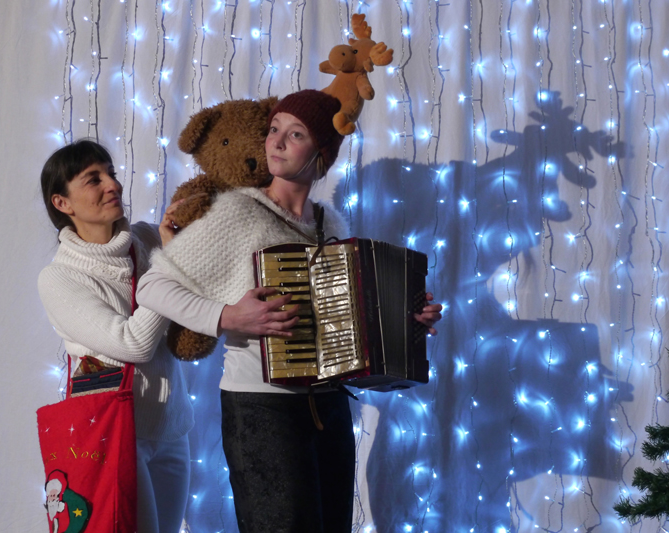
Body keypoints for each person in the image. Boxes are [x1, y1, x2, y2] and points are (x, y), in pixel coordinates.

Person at [137, 89, 443, 532]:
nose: (276, 141)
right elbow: (152, 287)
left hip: (330, 406)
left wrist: (404, 320)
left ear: (322, 154)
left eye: (295, 134)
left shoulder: (330, 222)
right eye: (274, 129)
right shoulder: (237, 211)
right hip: (262, 408)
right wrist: (228, 316)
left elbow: (345, 318)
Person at [37, 140, 194, 533]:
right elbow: (132, 344)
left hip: (172, 430)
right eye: (94, 179)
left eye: (111, 173)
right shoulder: (59, 278)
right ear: (63, 203)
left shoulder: (149, 239)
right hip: (113, 436)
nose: (113, 184)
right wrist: (170, 264)